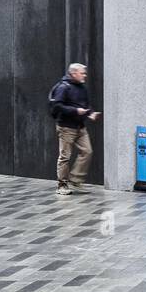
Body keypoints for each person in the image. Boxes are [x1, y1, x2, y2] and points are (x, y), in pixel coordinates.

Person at [49, 63, 100, 196]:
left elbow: (86, 105)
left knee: (87, 151)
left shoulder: (82, 87)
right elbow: (57, 106)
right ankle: (62, 185)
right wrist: (75, 110)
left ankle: (76, 180)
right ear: (73, 73)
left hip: (80, 127)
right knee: (65, 156)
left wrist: (91, 113)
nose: (85, 75)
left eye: (84, 73)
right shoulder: (63, 87)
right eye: (82, 73)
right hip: (66, 127)